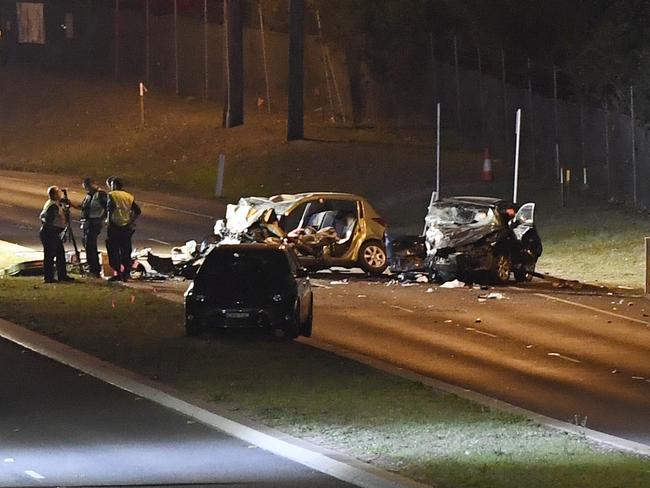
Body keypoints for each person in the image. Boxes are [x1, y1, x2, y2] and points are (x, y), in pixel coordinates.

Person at [105, 177, 141, 282]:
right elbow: (137, 210)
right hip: (126, 227)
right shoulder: (129, 196)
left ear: (114, 185)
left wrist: (108, 222)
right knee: (126, 250)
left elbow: (109, 210)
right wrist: (131, 220)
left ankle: (118, 272)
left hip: (114, 226)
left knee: (113, 250)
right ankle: (126, 273)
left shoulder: (112, 195)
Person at [39, 186, 74, 283]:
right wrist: (55, 231)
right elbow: (49, 221)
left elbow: (42, 217)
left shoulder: (52, 203)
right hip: (50, 233)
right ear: (54, 194)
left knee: (60, 254)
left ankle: (62, 275)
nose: (61, 194)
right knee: (50, 255)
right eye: (58, 192)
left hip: (51, 232)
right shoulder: (53, 206)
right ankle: (49, 277)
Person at [79, 177, 108, 277]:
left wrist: (103, 219)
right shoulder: (88, 196)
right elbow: (83, 207)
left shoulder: (100, 194)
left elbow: (108, 207)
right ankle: (92, 266)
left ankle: (94, 269)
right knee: (88, 245)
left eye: (87, 186)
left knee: (90, 245)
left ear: (93, 184)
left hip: (95, 222)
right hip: (87, 222)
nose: (86, 188)